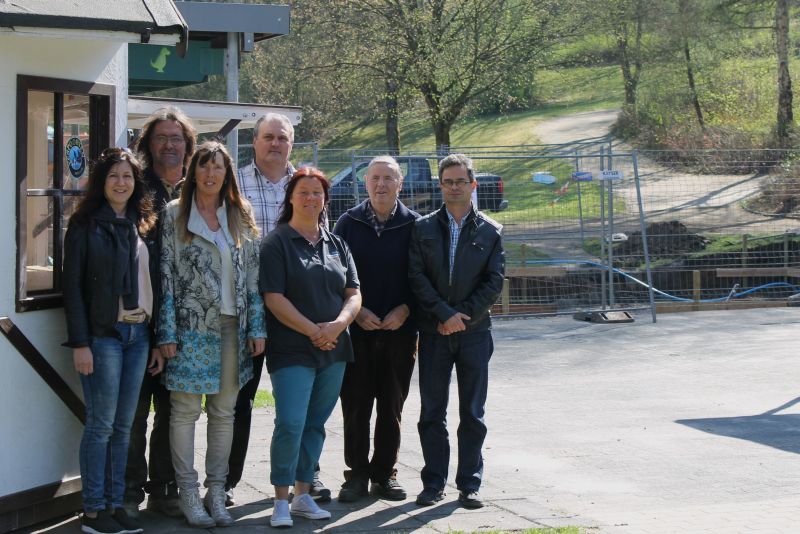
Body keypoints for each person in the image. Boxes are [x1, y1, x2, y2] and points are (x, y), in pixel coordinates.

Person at [157, 141, 266, 527]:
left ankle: (216, 491)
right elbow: (166, 276)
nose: (210, 174)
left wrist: (257, 327)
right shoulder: (174, 214)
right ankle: (187, 492)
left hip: (232, 329)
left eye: (218, 167)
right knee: (185, 411)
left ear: (227, 174)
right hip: (190, 331)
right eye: (203, 166)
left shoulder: (240, 214)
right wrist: (166, 331)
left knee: (224, 412)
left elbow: (252, 275)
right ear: (193, 171)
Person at [259, 167, 361, 528]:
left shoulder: (337, 244)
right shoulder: (276, 243)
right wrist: (312, 331)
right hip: (292, 349)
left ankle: (303, 494)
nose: (311, 198)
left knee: (315, 424)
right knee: (290, 422)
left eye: (318, 192)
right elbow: (273, 297)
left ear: (325, 200)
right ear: (291, 197)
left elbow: (353, 293)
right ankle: (281, 500)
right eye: (303, 191)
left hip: (334, 348)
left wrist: (338, 325)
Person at [63, 148, 158, 534]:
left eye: (128, 177)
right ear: (101, 182)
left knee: (124, 426)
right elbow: (72, 288)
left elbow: (154, 283)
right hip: (103, 336)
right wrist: (80, 343)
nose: (122, 183)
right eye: (114, 176)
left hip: (138, 335)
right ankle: (93, 510)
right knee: (100, 426)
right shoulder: (85, 225)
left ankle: (117, 503)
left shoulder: (141, 224)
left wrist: (154, 338)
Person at [408, 153, 505, 510]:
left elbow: (494, 281)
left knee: (473, 413)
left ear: (472, 185)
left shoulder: (491, 231)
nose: (453, 187)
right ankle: (433, 482)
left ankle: (470, 484)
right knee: (432, 412)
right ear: (440, 185)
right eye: (447, 181)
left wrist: (460, 316)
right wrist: (442, 314)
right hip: (434, 332)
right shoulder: (422, 229)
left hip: (475, 333)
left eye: (460, 181)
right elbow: (416, 277)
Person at [332, 156, 419, 503]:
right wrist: (356, 312)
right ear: (365, 183)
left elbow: (424, 276)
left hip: (400, 332)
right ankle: (356, 476)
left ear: (400, 184)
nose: (381, 185)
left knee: (391, 407)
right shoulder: (347, 223)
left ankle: (385, 474)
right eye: (374, 178)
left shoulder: (414, 225)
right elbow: (333, 275)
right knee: (355, 406)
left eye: (388, 178)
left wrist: (406, 308)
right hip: (357, 332)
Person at [124, 107, 197, 518]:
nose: (170, 145)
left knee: (176, 412)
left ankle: (166, 488)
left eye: (177, 138)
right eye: (161, 138)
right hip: (139, 318)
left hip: (186, 323)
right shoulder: (134, 187)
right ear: (148, 143)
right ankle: (129, 491)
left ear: (188, 145)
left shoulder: (198, 189)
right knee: (134, 413)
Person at [225, 113, 297, 506]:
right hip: (247, 309)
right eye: (267, 137)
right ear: (254, 142)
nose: (274, 144)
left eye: (281, 138)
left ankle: (306, 478)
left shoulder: (305, 185)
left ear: (291, 144)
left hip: (293, 312)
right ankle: (226, 482)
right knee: (239, 401)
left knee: (297, 401)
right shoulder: (232, 184)